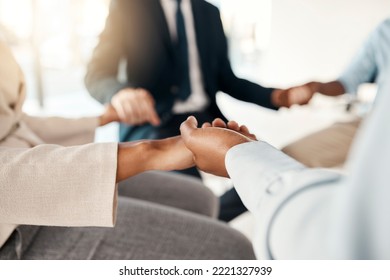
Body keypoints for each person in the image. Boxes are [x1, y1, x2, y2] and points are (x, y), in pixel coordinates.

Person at [0, 42, 255, 260]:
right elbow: (98, 73)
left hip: (37, 161)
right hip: (12, 224)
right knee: (231, 250)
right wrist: (151, 152)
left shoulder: (207, 10)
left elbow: (12, 119)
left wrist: (100, 119)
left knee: (203, 198)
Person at [84, 0, 285, 221]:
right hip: (155, 122)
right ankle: (200, 221)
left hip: (206, 120)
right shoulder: (128, 6)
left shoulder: (210, 12)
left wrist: (275, 96)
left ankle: (204, 220)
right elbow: (96, 74)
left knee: (268, 170)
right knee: (193, 194)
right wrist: (120, 93)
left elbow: (227, 79)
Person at [180, 77, 390, 259]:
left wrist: (238, 154)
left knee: (232, 245)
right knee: (284, 154)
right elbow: (350, 78)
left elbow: (350, 249)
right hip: (372, 118)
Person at [272, 18, 390, 168]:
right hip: (375, 123)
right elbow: (348, 81)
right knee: (285, 160)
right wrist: (317, 87)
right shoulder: (385, 30)